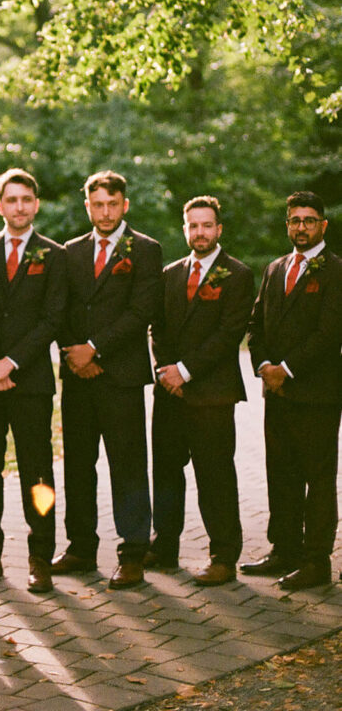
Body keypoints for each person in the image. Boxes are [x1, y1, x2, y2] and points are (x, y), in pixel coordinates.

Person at [0, 169, 66, 594]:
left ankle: (40, 557)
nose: (19, 206)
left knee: (38, 473)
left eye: (26, 199)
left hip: (31, 381)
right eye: (11, 199)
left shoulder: (53, 255)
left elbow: (53, 318)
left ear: (35, 205)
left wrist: (13, 363)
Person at [53, 170, 162, 590]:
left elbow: (142, 312)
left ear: (125, 205)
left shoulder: (146, 250)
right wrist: (76, 353)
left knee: (128, 465)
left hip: (121, 377)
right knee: (79, 465)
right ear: (87, 206)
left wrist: (95, 348)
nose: (105, 212)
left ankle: (132, 553)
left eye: (112, 204)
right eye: (97, 204)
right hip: (78, 376)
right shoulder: (71, 251)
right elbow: (59, 309)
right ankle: (81, 546)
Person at [148, 196, 255, 585]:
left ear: (219, 229)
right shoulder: (170, 274)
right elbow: (156, 327)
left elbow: (229, 335)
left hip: (211, 395)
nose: (200, 233)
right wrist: (167, 370)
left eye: (206, 225)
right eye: (193, 226)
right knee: (165, 472)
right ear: (185, 229)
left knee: (215, 476)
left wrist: (187, 372)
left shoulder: (238, 275)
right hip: (169, 393)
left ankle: (224, 555)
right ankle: (164, 547)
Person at [242, 190, 342, 590]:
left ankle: (316, 561)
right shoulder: (275, 268)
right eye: (294, 220)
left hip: (316, 394)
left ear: (323, 224)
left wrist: (287, 368)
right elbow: (256, 325)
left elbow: (328, 332)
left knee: (317, 477)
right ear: (287, 225)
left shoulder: (336, 271)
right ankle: (284, 549)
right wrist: (264, 366)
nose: (301, 227)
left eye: (309, 219)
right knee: (280, 473)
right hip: (277, 393)